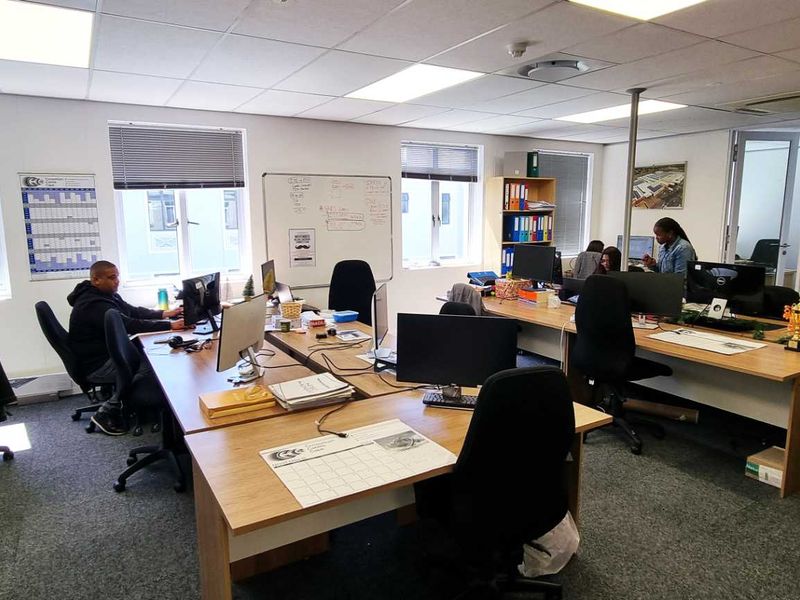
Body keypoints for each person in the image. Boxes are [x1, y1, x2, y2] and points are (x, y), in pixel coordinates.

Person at [68, 260, 184, 435]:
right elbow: (129, 324)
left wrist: (164, 314)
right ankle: (109, 409)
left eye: (117, 276)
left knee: (147, 354)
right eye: (111, 277)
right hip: (97, 365)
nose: (117, 281)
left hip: (105, 355)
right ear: (96, 280)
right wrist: (170, 325)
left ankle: (136, 401)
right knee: (152, 364)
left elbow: (131, 311)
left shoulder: (106, 295)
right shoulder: (93, 304)